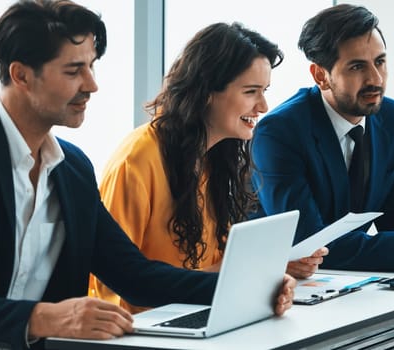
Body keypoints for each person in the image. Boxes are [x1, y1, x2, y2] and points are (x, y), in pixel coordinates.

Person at [0, 2, 294, 349]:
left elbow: (134, 276)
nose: (92, 85)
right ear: (21, 75)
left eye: (92, 67)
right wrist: (42, 318)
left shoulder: (72, 169)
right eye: (74, 71)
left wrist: (251, 288)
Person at [88, 22, 326, 313]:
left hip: (198, 312)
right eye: (251, 91)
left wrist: (271, 269)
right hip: (144, 330)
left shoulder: (216, 158)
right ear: (206, 92)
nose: (263, 106)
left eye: (264, 91)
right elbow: (110, 286)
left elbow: (209, 270)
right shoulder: (137, 159)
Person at [251, 4, 394, 271]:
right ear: (321, 76)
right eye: (357, 67)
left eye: (380, 62)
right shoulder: (279, 132)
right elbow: (307, 242)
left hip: (351, 282)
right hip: (285, 284)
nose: (375, 78)